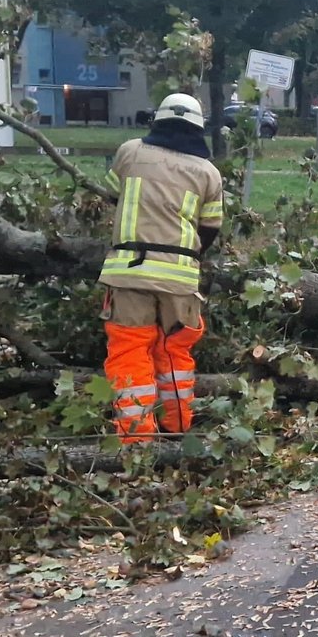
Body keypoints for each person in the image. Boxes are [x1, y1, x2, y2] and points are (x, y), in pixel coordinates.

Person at [99, 92, 224, 444]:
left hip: (128, 271)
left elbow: (112, 194)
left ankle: (136, 441)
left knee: (129, 352)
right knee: (174, 354)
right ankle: (178, 428)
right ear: (199, 129)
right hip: (180, 278)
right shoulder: (208, 172)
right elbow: (210, 228)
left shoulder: (129, 152)